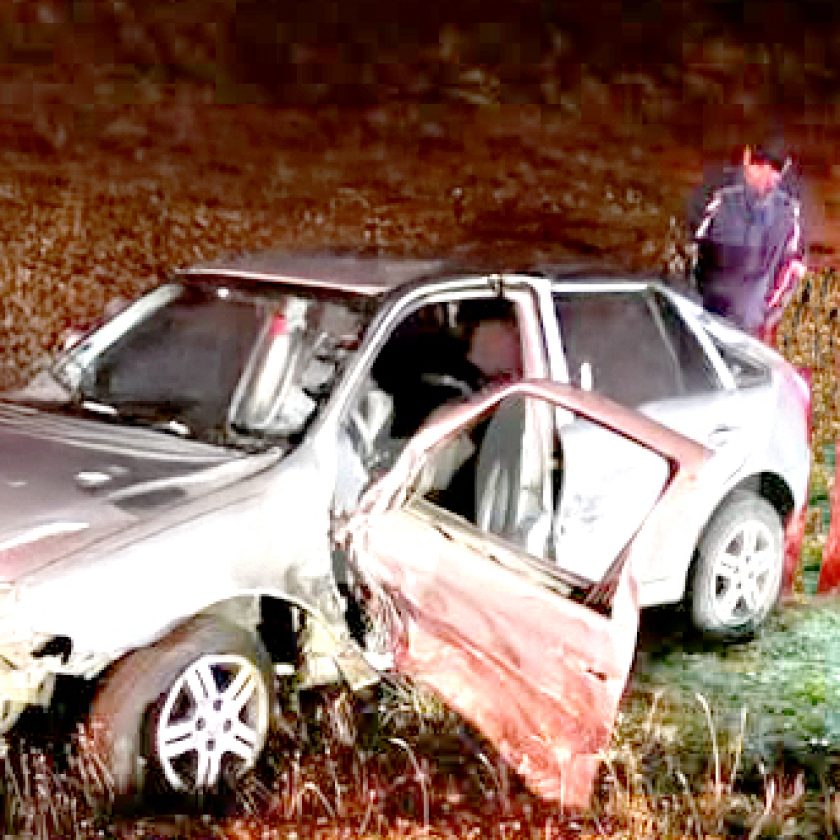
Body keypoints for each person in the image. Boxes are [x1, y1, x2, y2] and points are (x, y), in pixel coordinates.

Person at [690, 138, 807, 342]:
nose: (767, 175)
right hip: (705, 319)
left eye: (775, 169)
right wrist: (695, 301)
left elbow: (791, 269)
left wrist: (767, 313)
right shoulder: (719, 200)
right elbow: (692, 251)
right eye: (760, 165)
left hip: (750, 329)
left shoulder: (787, 213)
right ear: (746, 160)